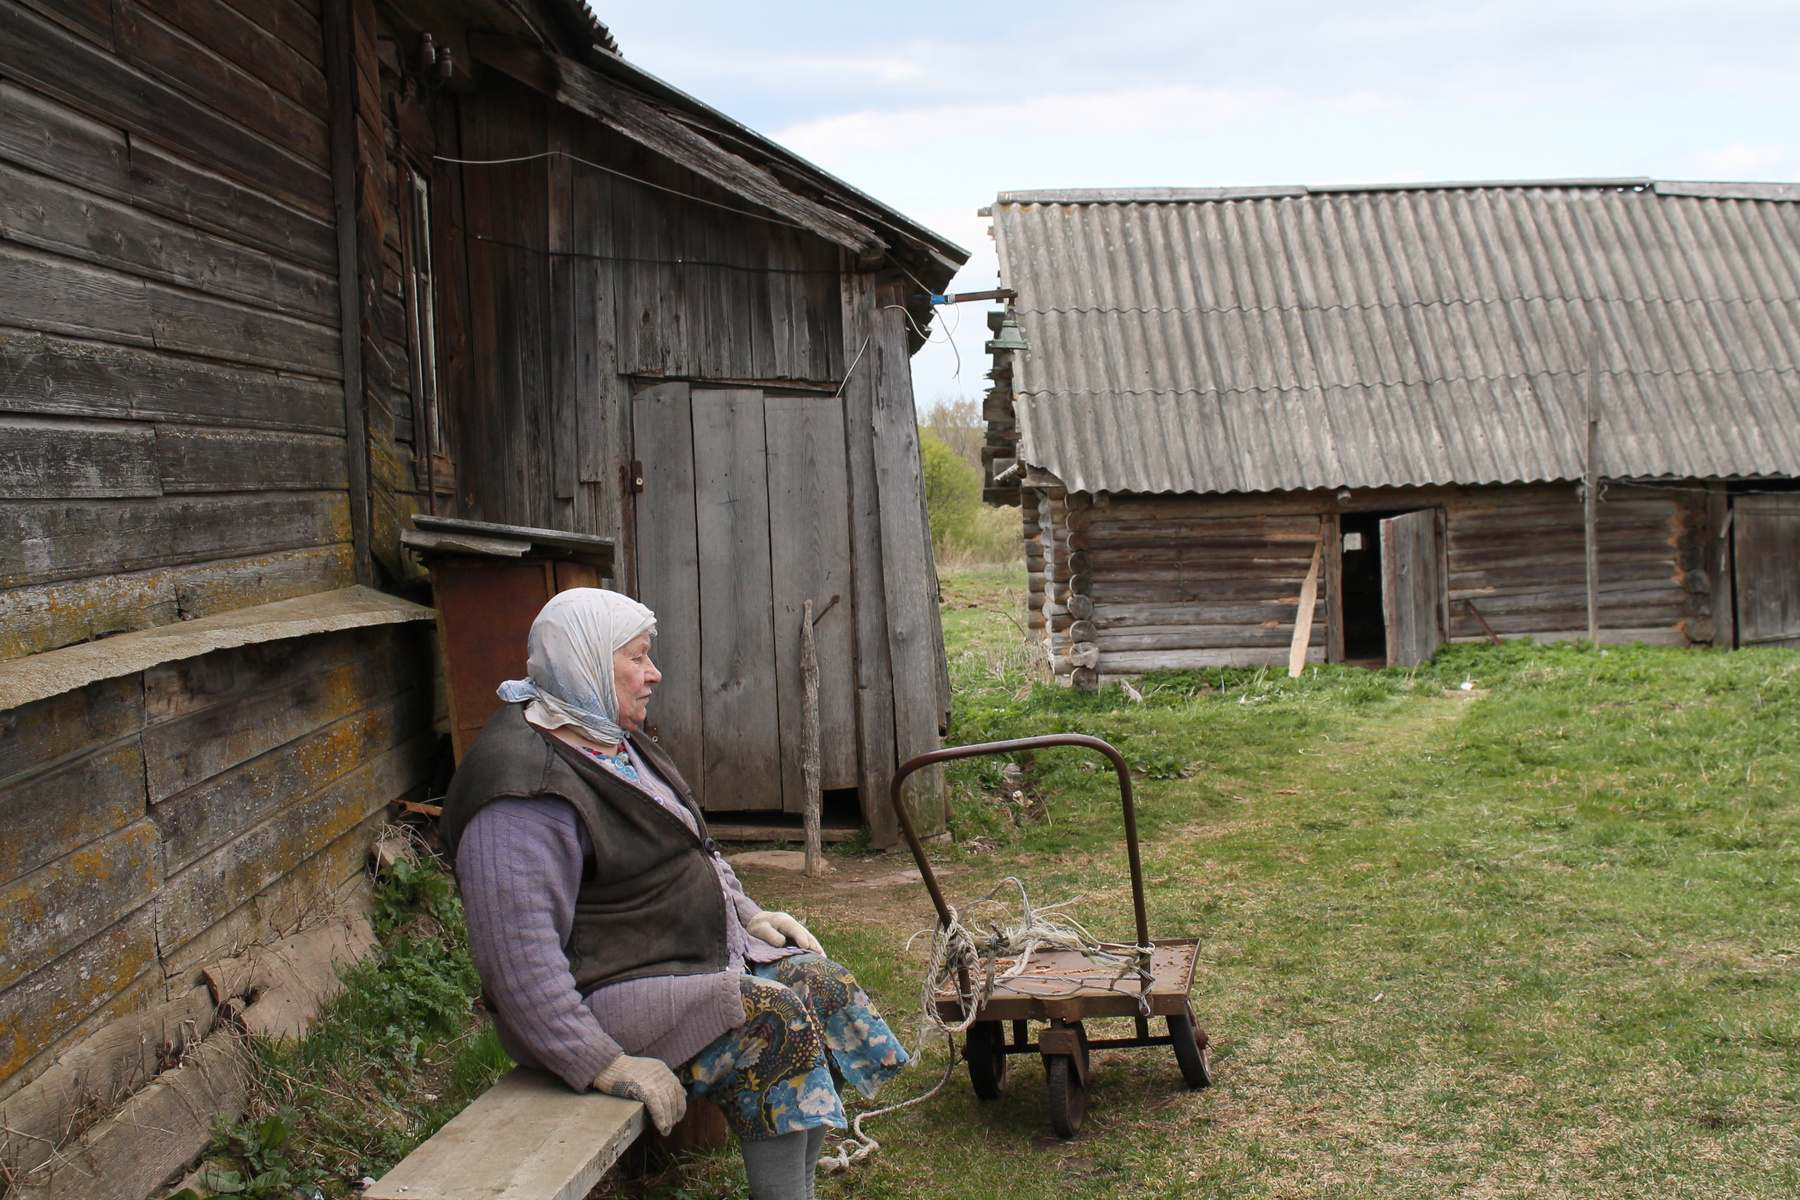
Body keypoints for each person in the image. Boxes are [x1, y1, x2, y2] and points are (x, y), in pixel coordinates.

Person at [438, 588, 907, 1200]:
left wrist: (747, 916)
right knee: (772, 1018)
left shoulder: (605, 737)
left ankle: (798, 1187)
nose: (654, 673)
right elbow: (516, 962)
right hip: (594, 1000)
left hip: (669, 964)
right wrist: (600, 1062)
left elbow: (692, 849)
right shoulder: (521, 791)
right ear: (586, 663)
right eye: (636, 658)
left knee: (820, 983)